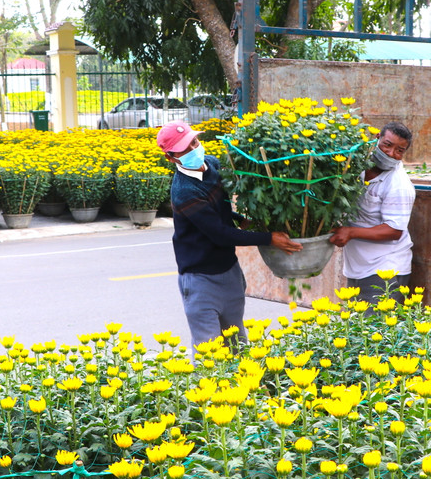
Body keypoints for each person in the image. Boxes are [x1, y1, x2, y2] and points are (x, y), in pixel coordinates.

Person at [156, 120, 302, 350]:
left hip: (229, 271)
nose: (195, 148)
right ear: (171, 157)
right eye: (186, 147)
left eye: (195, 141)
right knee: (210, 353)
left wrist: (238, 217)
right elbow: (221, 235)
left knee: (237, 343)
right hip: (200, 279)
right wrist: (268, 238)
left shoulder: (211, 164)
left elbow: (219, 206)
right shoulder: (185, 192)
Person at [329, 121, 416, 303]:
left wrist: (350, 232)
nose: (391, 153)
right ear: (377, 139)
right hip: (357, 267)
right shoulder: (356, 168)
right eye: (387, 145)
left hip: (384, 271)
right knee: (357, 328)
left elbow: (394, 230)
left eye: (399, 150)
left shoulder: (398, 184)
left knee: (376, 330)